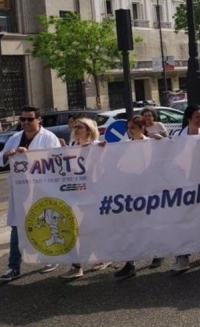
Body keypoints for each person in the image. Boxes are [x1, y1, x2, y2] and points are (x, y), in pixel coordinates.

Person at [0, 106, 62, 282]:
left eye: (29, 119)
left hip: (42, 189)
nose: (25, 123)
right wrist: (8, 155)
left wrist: (30, 155)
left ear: (38, 119)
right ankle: (13, 267)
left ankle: (51, 258)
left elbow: (57, 161)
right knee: (17, 228)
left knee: (46, 224)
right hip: (20, 190)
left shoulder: (49, 138)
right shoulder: (15, 138)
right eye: (23, 119)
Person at [107, 116, 164, 278]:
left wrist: (162, 142)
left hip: (146, 192)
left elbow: (156, 164)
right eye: (128, 127)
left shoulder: (150, 144)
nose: (129, 130)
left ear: (141, 127)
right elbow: (118, 166)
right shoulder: (125, 146)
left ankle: (157, 253)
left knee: (149, 225)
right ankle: (130, 263)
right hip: (130, 192)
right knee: (130, 228)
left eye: (132, 127)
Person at [60, 118, 112, 279]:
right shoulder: (73, 147)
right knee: (75, 230)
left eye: (79, 127)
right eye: (75, 127)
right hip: (75, 195)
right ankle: (78, 266)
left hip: (93, 196)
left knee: (91, 229)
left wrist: (104, 150)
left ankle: (101, 257)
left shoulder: (97, 146)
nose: (76, 129)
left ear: (88, 130)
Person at [169, 105, 200, 272]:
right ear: (188, 118)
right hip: (183, 184)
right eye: (197, 116)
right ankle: (182, 257)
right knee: (183, 220)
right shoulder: (176, 135)